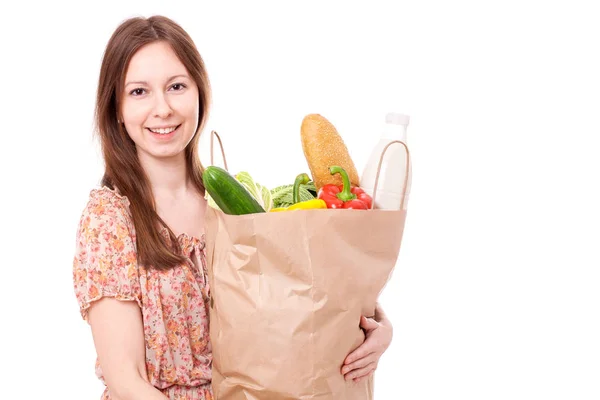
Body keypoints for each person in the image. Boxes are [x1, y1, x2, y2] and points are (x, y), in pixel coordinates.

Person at [72, 15, 394, 400]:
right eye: (139, 92)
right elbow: (126, 380)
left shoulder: (234, 205)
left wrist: (375, 331)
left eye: (176, 86)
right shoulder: (108, 219)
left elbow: (302, 305)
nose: (163, 109)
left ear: (199, 93)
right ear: (117, 109)